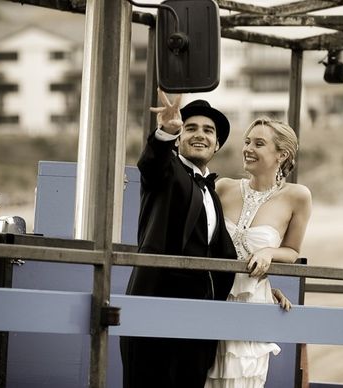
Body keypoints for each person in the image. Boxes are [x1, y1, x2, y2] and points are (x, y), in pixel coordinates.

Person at [120, 89, 238, 388]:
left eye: (208, 130)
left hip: (200, 319)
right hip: (156, 306)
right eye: (191, 128)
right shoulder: (168, 172)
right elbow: (150, 163)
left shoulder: (212, 191)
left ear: (217, 144)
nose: (200, 134)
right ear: (179, 138)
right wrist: (165, 132)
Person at [205, 117, 312, 388]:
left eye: (259, 143)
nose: (248, 148)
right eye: (247, 142)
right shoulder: (222, 187)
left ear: (282, 154)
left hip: (253, 302)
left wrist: (268, 252)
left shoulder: (297, 196)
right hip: (212, 298)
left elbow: (291, 250)